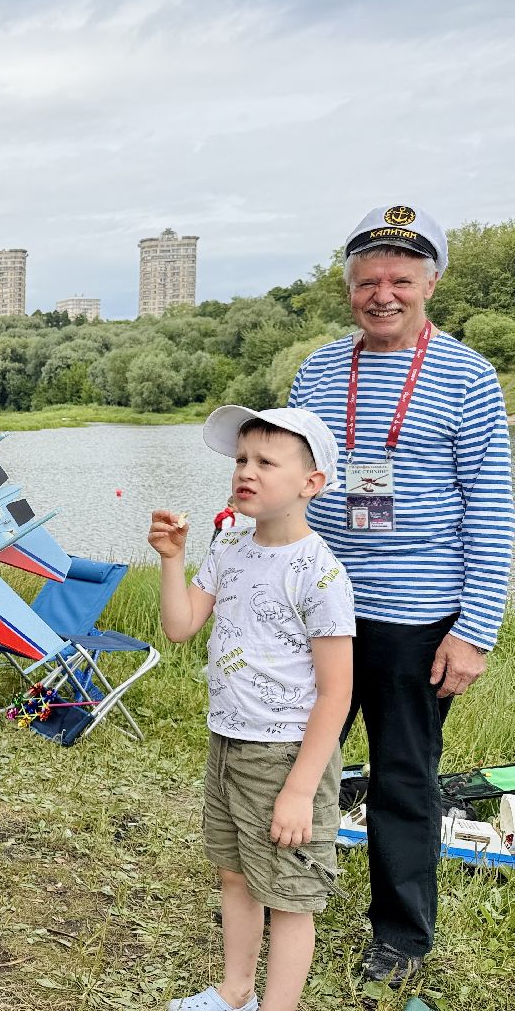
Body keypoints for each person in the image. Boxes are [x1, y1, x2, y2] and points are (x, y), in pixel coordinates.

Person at [287, 204, 514, 982]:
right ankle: (284, 893)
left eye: (400, 280)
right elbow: (292, 476)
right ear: (348, 288)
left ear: (431, 285)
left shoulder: (469, 376)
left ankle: (401, 936)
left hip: (417, 618)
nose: (382, 294)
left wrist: (476, 629)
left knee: (402, 776)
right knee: (296, 759)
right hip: (321, 606)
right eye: (366, 281)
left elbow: (491, 504)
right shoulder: (318, 368)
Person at [150, 406, 355, 1011]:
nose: (247, 471)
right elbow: (182, 625)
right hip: (227, 742)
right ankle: (234, 991)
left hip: (285, 753)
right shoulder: (231, 545)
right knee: (235, 875)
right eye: (242, 459)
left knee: (289, 898)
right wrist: (171, 559)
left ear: (310, 483)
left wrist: (299, 789)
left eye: (267, 461)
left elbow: (336, 692)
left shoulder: (319, 574)